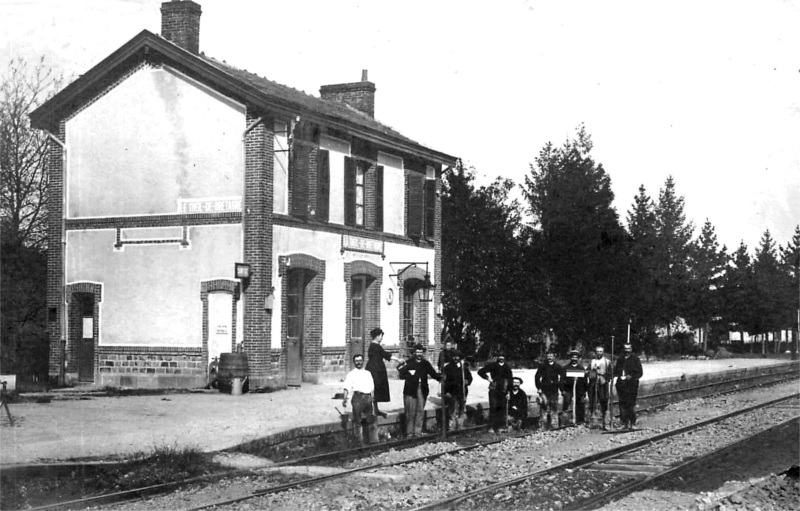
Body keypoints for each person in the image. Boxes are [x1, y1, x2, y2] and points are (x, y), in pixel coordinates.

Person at [398, 344, 442, 437]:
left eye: (421, 352)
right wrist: (409, 376)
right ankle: (409, 433)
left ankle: (417, 432)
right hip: (410, 390)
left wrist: (441, 377)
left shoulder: (425, 363)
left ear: (423, 353)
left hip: (422, 389)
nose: (419, 354)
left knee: (420, 411)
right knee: (410, 411)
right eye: (417, 352)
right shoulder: (409, 362)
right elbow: (401, 374)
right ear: (414, 352)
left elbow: (433, 374)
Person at [342, 354, 378, 444]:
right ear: (354, 362)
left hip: (368, 397)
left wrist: (372, 398)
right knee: (357, 421)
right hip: (357, 398)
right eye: (357, 361)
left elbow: (371, 386)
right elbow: (347, 387)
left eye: (360, 360)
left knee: (370, 420)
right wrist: (345, 398)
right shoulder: (351, 374)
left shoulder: (367, 373)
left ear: (363, 361)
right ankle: (359, 443)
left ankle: (372, 441)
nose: (358, 362)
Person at [365, 327, 399, 418]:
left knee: (376, 388)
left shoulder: (374, 346)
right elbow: (385, 354)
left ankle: (375, 409)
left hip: (375, 369)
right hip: (375, 370)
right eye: (381, 336)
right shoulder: (375, 346)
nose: (381, 338)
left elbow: (384, 354)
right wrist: (397, 359)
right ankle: (373, 410)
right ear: (377, 336)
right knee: (375, 387)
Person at [477, 353, 514, 433]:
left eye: (502, 356)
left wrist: (509, 392)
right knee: (493, 407)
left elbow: (510, 380)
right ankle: (491, 427)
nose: (501, 358)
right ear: (497, 357)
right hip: (494, 389)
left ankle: (500, 426)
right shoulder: (492, 365)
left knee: (502, 408)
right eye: (499, 356)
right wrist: (488, 378)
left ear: (504, 358)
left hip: (503, 389)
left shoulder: (507, 367)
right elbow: (480, 371)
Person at [614, 343, 643, 430]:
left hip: (631, 385)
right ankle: (624, 423)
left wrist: (632, 376)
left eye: (628, 349)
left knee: (631, 404)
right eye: (625, 349)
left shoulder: (635, 359)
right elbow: (616, 371)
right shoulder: (620, 359)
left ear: (631, 349)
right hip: (621, 385)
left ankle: (633, 422)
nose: (627, 350)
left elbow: (640, 373)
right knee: (622, 404)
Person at [442, 350, 472, 431]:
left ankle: (460, 426)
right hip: (452, 392)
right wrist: (446, 392)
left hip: (462, 391)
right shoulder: (448, 367)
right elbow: (444, 382)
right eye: (454, 356)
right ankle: (452, 427)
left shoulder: (463, 368)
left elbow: (469, 377)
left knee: (461, 410)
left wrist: (467, 381)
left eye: (457, 356)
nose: (455, 358)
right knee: (452, 410)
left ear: (460, 357)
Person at [534, 350, 562, 429]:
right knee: (544, 407)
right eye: (548, 356)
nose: (549, 357)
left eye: (551, 356)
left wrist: (559, 385)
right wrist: (539, 387)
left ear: (554, 357)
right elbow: (537, 377)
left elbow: (562, 377)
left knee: (554, 407)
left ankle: (554, 425)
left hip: (554, 390)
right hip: (544, 390)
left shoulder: (557, 366)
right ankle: (542, 425)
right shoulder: (542, 366)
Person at [587, 346, 612, 428]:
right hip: (593, 384)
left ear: (603, 352)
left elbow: (611, 374)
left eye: (601, 351)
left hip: (603, 385)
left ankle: (606, 422)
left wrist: (605, 377)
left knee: (604, 402)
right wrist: (592, 371)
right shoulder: (592, 362)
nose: (599, 353)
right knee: (593, 402)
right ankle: (593, 422)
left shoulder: (607, 361)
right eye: (597, 351)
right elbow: (587, 372)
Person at [561, 350, 588, 424]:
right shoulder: (566, 368)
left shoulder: (581, 368)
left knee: (580, 404)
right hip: (568, 389)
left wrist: (584, 391)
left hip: (579, 390)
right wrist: (562, 390)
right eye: (573, 357)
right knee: (566, 403)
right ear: (571, 358)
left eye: (576, 357)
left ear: (578, 358)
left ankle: (580, 420)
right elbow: (562, 380)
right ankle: (566, 420)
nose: (574, 359)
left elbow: (585, 381)